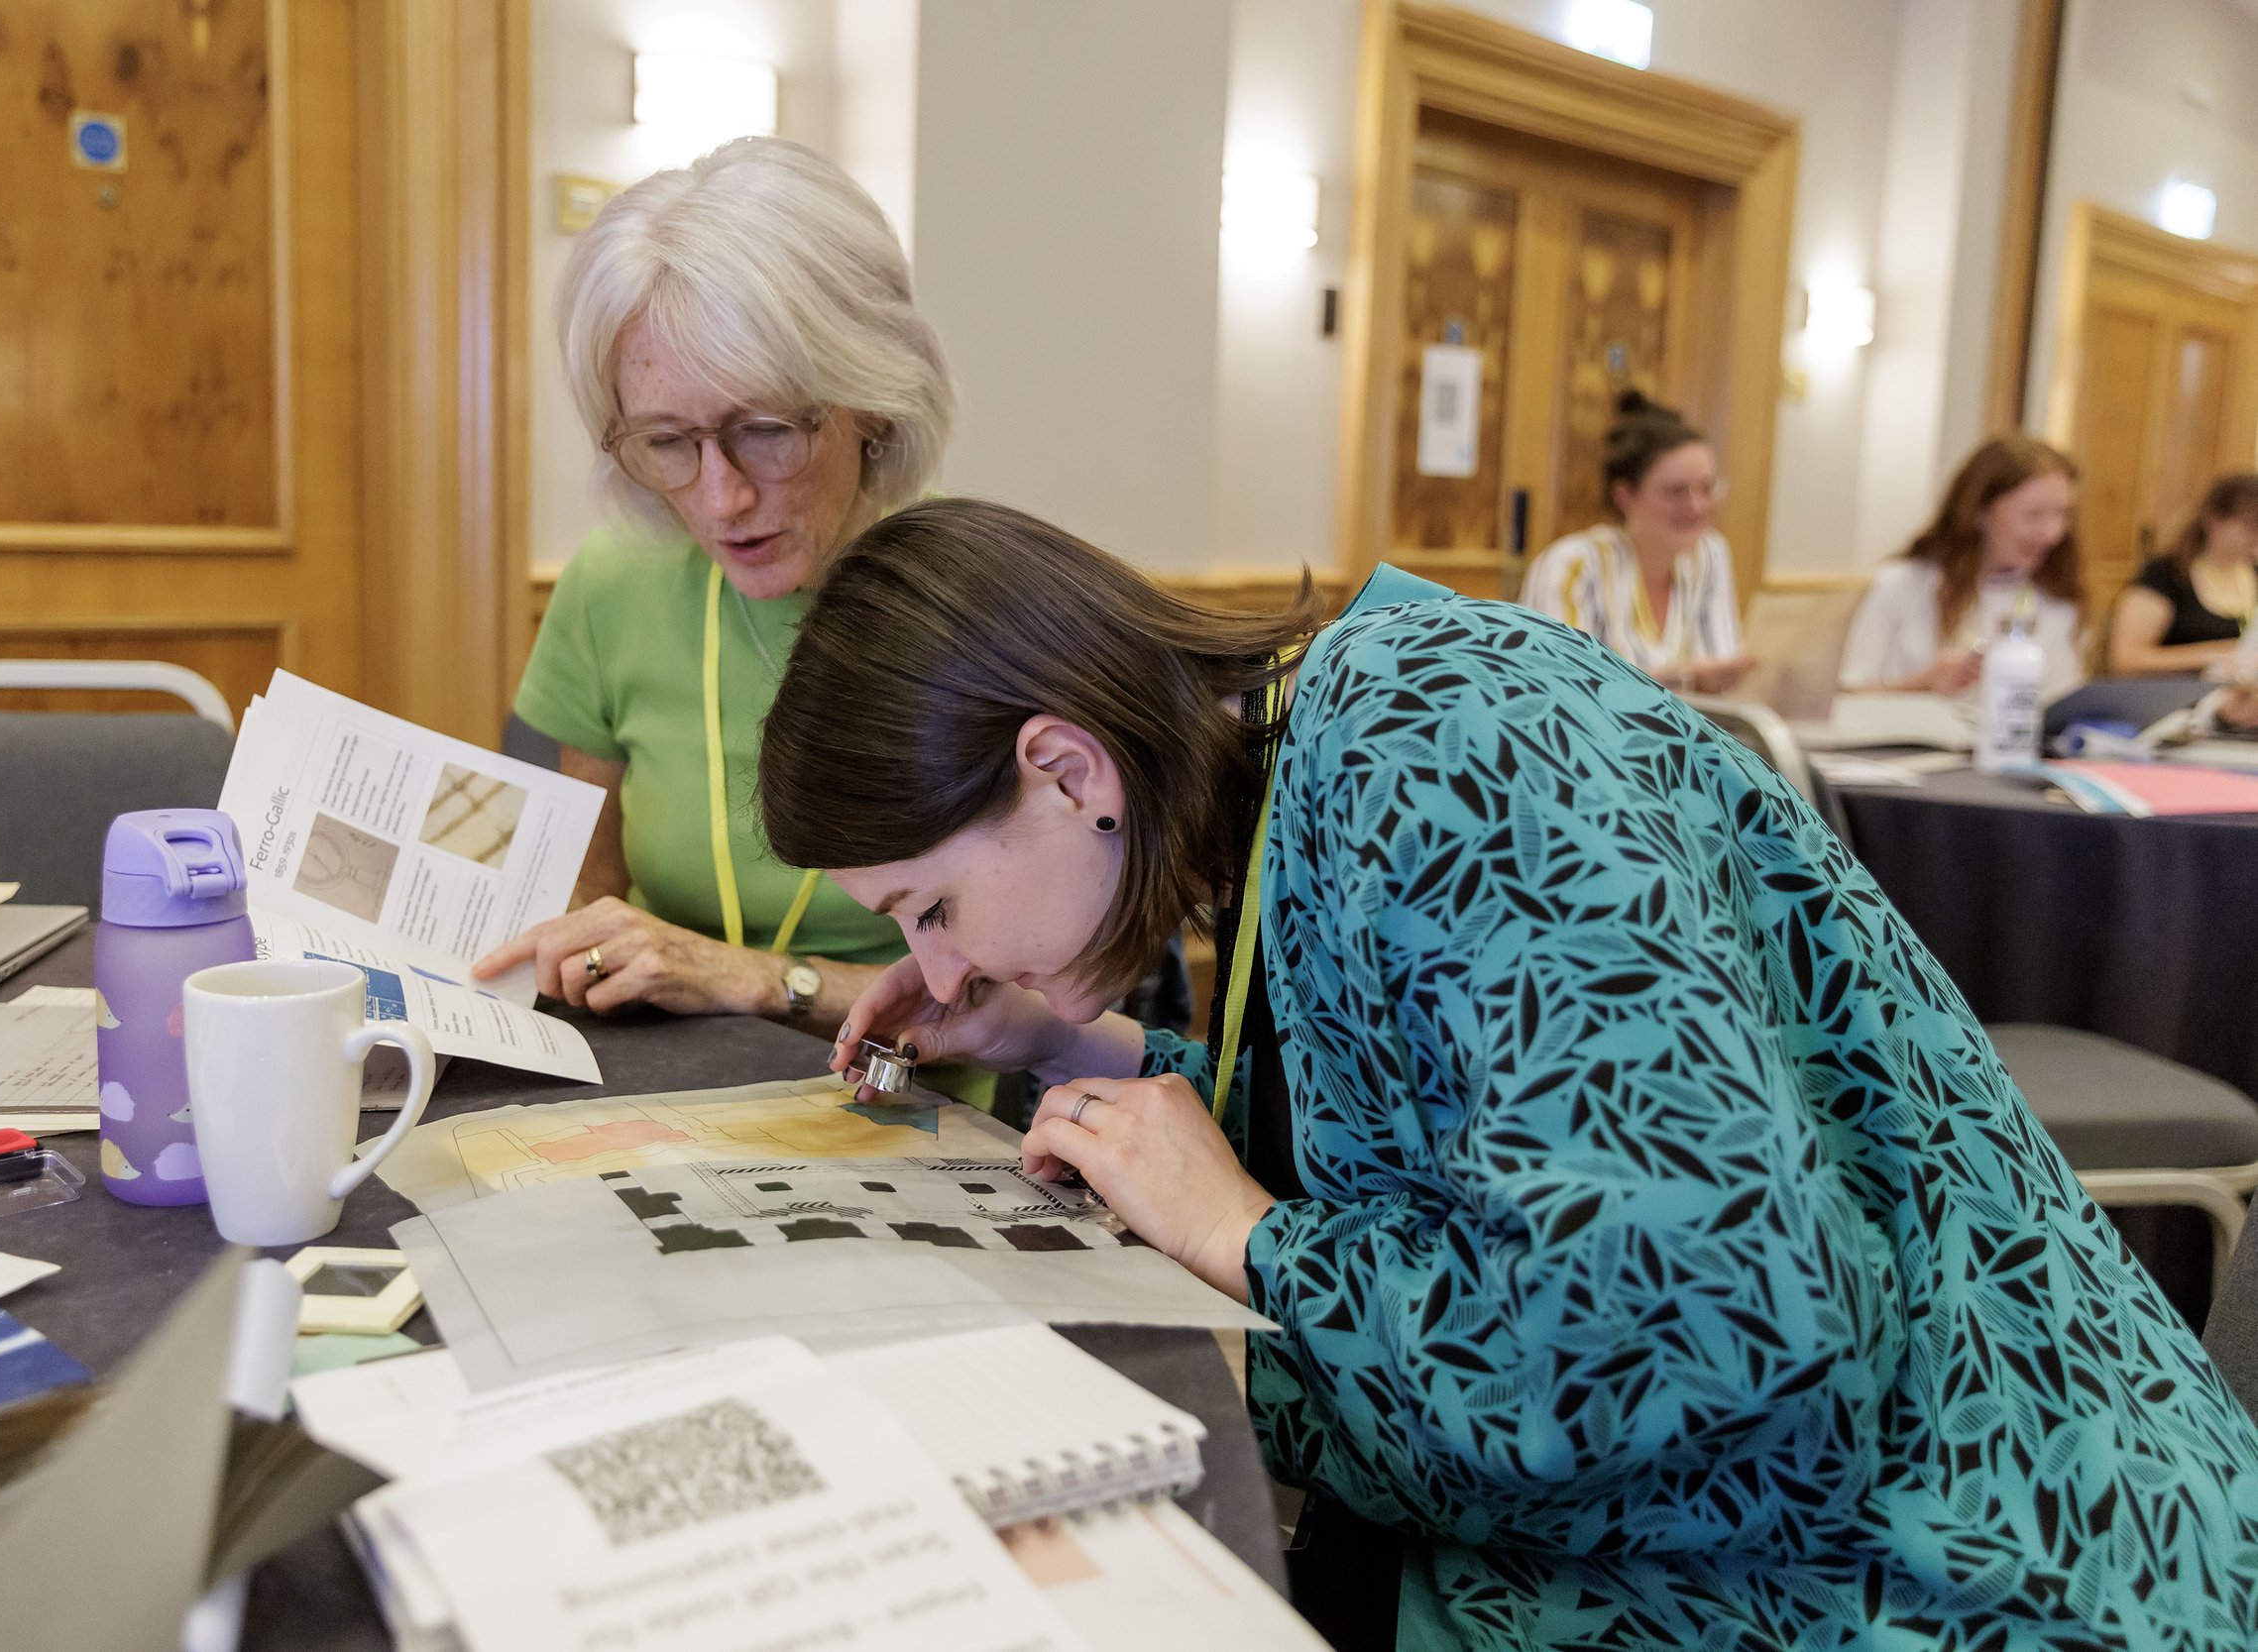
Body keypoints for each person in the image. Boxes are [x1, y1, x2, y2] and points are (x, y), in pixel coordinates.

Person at [756, 496, 2258, 1652]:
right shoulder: (1324, 753)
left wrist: (1252, 1236)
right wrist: (1066, 1044)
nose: (938, 972)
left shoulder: (1437, 729)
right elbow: (1434, 1118)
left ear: (1068, 770)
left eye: (929, 908)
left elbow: (1707, 1325)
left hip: (1969, 1567)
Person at [470, 137, 952, 1030]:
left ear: (873, 398)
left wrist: (760, 979)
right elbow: (590, 889)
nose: (722, 496)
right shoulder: (615, 581)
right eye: (666, 443)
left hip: (920, 1098)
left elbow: (1024, 1007)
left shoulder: (975, 600)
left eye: (765, 428)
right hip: (672, 1069)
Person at [1520, 389, 1756, 693]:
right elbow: (1563, 690)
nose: (1696, 507)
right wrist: (1686, 678)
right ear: (1625, 496)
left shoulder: (1710, 554)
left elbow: (1724, 670)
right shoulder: (1571, 565)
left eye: (1707, 489)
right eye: (1676, 492)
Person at [1838, 435, 2084, 698]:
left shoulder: (2057, 599)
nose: (2052, 534)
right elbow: (1848, 696)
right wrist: (1922, 684)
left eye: (2062, 514)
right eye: (2033, 515)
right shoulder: (1902, 585)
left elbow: (2062, 704)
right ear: (1980, 511)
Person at [2106, 472, 2258, 678]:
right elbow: (2124, 660)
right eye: (2251, 526)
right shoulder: (2166, 574)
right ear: (2213, 520)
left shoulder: (2253, 574)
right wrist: (2218, 654)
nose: (2255, 538)